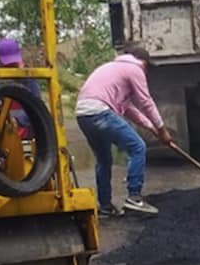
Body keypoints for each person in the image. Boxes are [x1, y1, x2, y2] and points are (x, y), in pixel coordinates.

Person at [74, 43, 172, 217]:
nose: (147, 72)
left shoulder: (112, 69)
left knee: (104, 160)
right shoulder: (134, 69)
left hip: (83, 114)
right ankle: (134, 197)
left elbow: (128, 109)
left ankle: (105, 206)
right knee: (138, 147)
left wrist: (151, 127)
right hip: (100, 111)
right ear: (143, 62)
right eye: (148, 67)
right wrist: (162, 129)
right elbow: (146, 102)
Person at [0, 36, 42, 138]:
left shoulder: (28, 78)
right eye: (7, 64)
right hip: (5, 131)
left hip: (26, 130)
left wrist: (16, 119)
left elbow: (36, 106)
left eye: (13, 63)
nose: (11, 67)